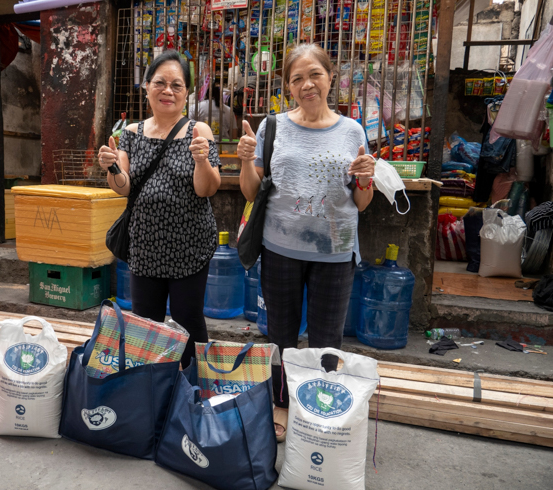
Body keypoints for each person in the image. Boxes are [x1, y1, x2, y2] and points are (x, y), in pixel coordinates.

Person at [237, 43, 376, 442]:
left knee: (326, 339)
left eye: (314, 74)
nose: (307, 84)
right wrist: (246, 159)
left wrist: (365, 177)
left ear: (330, 77)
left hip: (336, 251)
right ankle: (282, 404)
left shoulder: (352, 131)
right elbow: (250, 193)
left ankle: (317, 407)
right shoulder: (272, 127)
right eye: (297, 78)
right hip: (279, 247)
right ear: (288, 87)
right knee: (280, 334)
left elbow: (361, 201)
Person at [98, 50, 221, 369]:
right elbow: (123, 185)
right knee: (145, 324)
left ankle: (194, 390)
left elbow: (207, 189)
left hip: (189, 249)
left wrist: (201, 160)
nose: (168, 90)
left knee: (189, 320)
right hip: (145, 249)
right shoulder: (131, 134)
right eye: (161, 82)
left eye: (177, 85)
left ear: (187, 92)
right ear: (147, 86)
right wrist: (112, 167)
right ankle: (150, 389)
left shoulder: (199, 131)